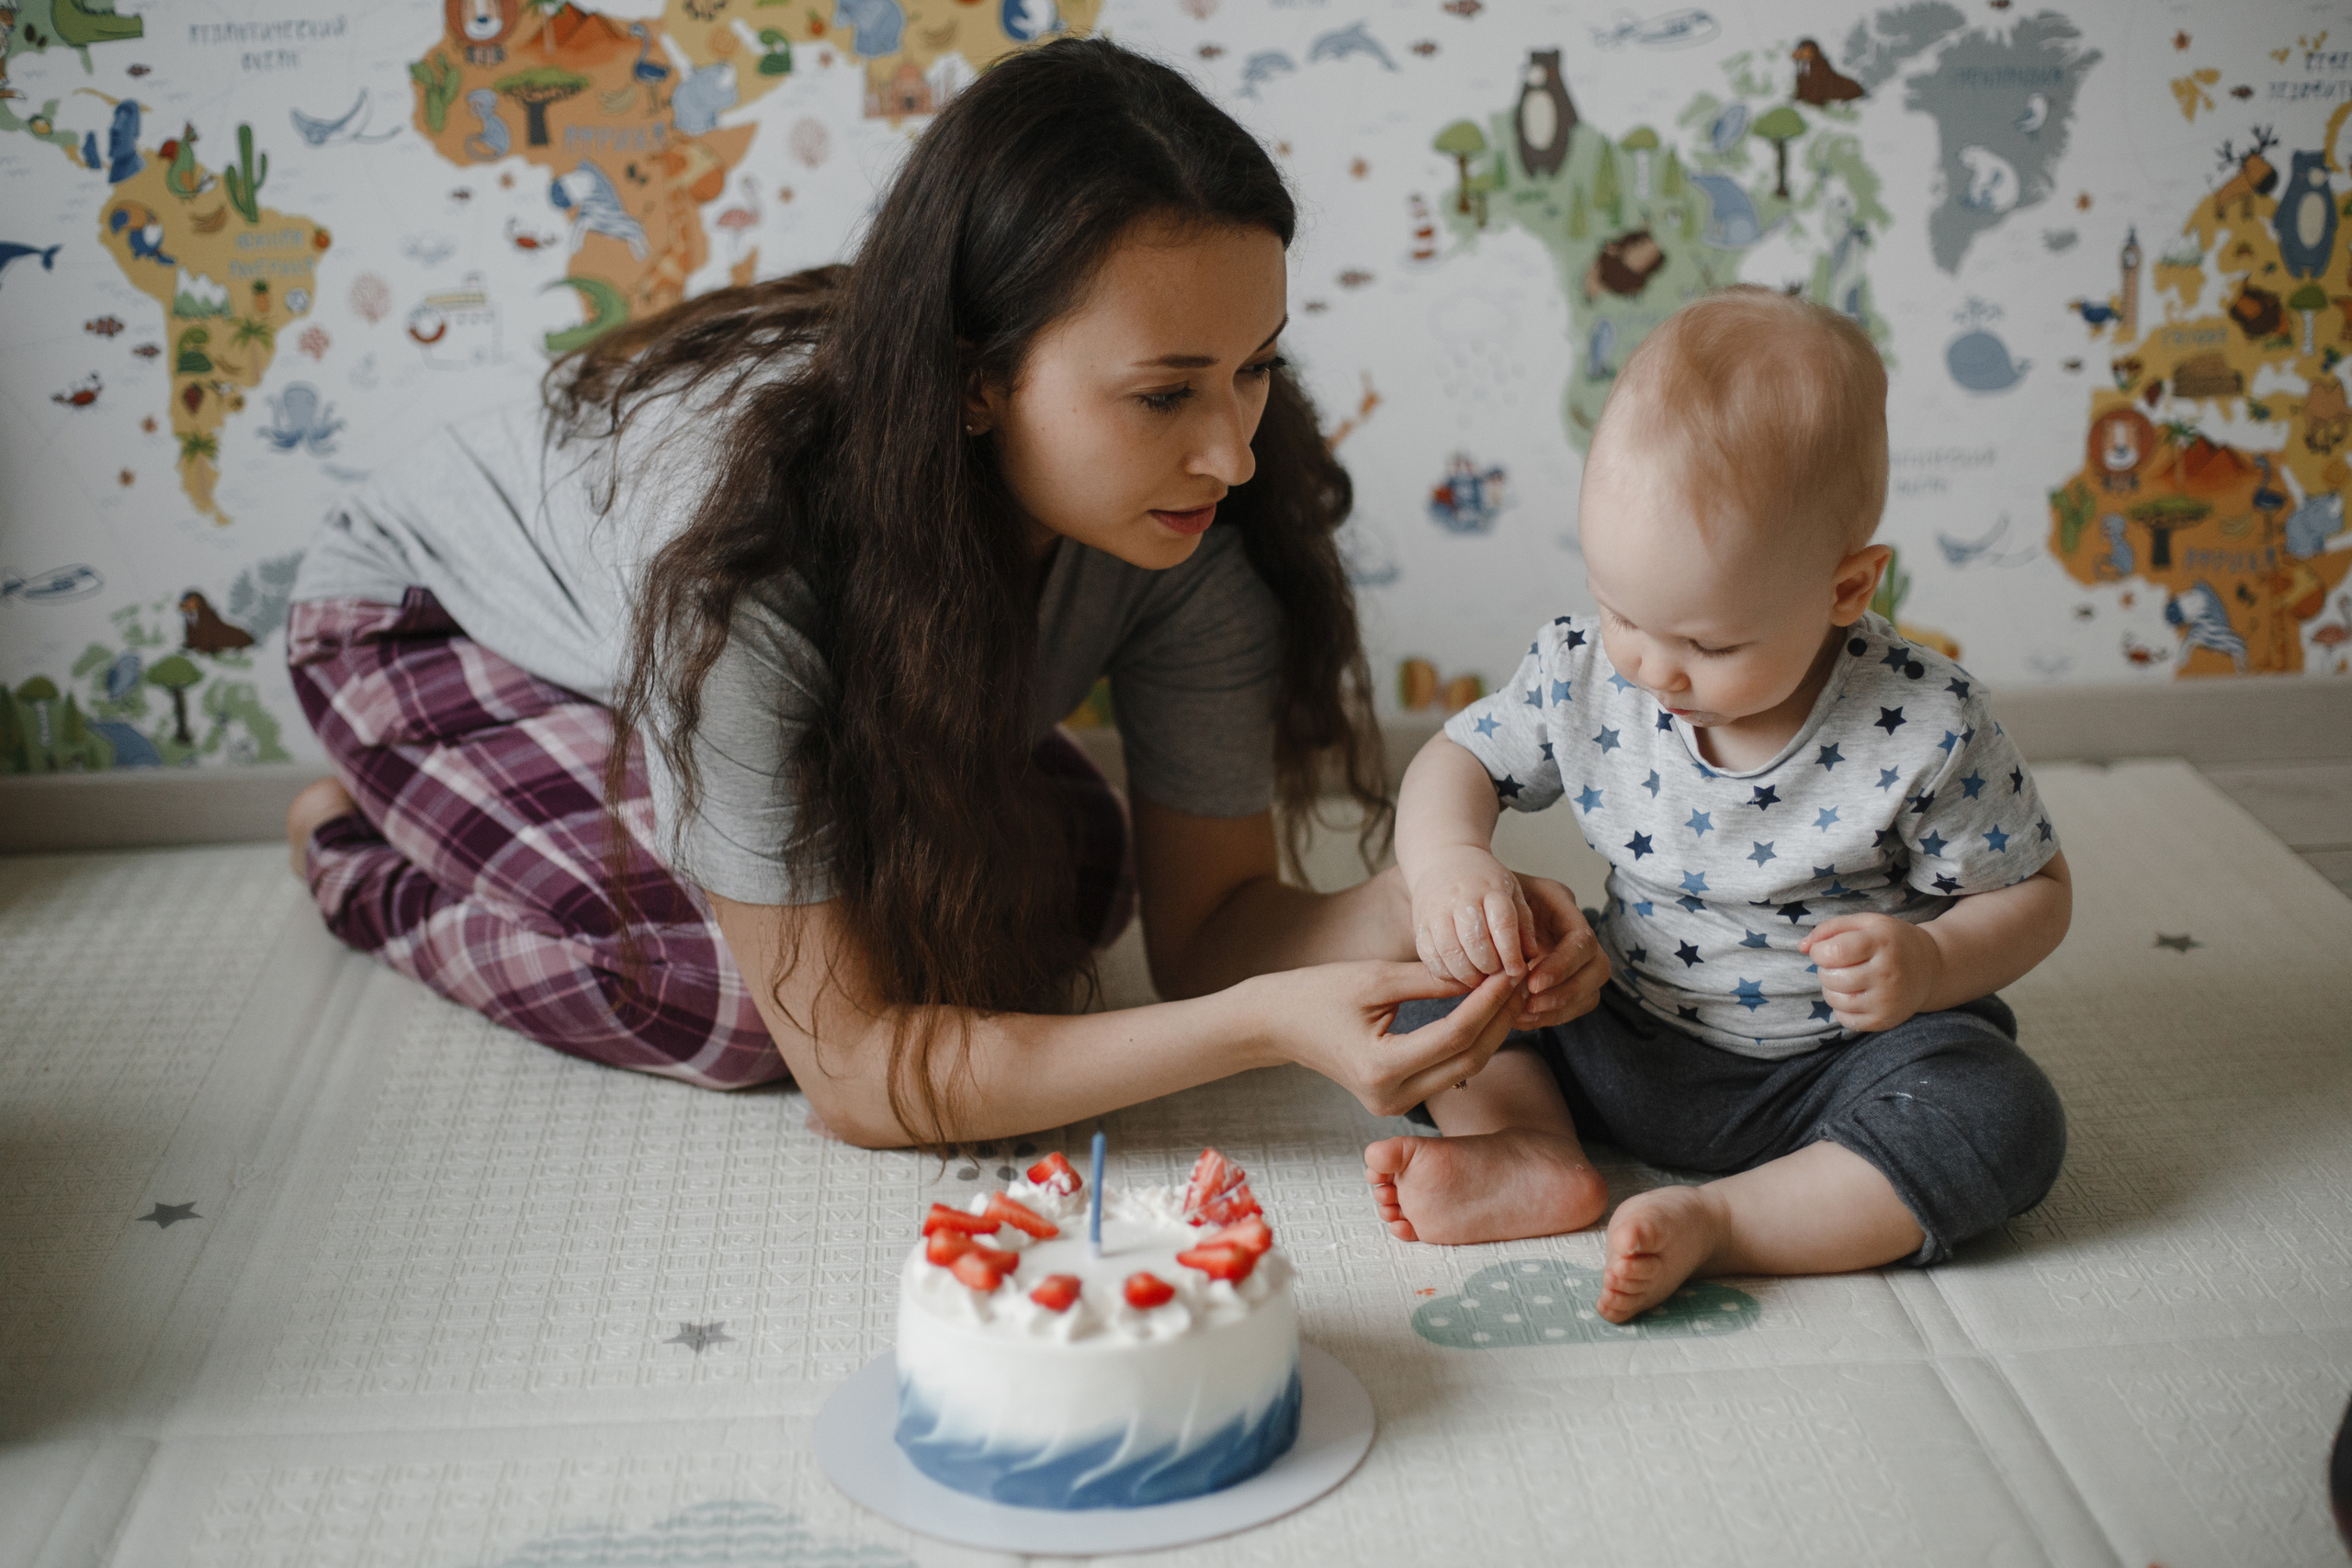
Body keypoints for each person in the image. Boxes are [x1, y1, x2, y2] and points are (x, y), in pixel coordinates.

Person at [279, 39, 1613, 1146]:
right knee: (738, 1009)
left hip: (673, 661)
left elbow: (1208, 929)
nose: (1234, 449)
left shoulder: (1197, 522)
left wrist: (1433, 903)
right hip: (433, 626)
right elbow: (855, 1077)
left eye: (1254, 366)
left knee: (1071, 889)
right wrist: (1266, 1029)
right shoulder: (754, 574)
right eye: (1164, 393)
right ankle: (361, 856)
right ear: (977, 378)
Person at [1363, 287, 2072, 1322]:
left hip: (1842, 1071)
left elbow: (2040, 895)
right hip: (1620, 1021)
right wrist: (1448, 865)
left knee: (2006, 1116)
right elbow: (1455, 761)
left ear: (1845, 589)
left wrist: (1933, 965)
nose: (1654, 665)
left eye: (1708, 644)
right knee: (1426, 980)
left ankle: (1734, 1223)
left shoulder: (1925, 727)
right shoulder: (1587, 673)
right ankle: (1525, 1149)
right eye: (1619, 610)